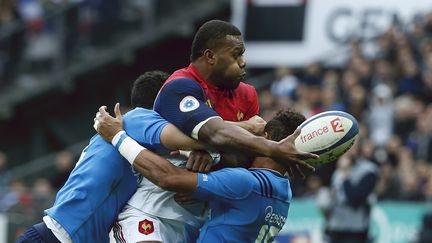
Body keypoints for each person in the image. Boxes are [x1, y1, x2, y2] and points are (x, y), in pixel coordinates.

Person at [16, 71, 208, 243]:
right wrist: (211, 147)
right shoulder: (137, 119)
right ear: (163, 100)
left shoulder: (131, 134)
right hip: (54, 238)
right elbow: (200, 136)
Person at [95, 103, 307, 242]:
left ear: (267, 136)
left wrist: (118, 137)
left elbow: (169, 177)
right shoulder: (283, 194)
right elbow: (238, 209)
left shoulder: (247, 183)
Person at [317, 140, 378, 243]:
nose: (348, 150)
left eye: (351, 146)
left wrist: (345, 174)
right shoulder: (336, 172)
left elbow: (355, 200)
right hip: (334, 228)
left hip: (355, 230)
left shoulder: (368, 171)